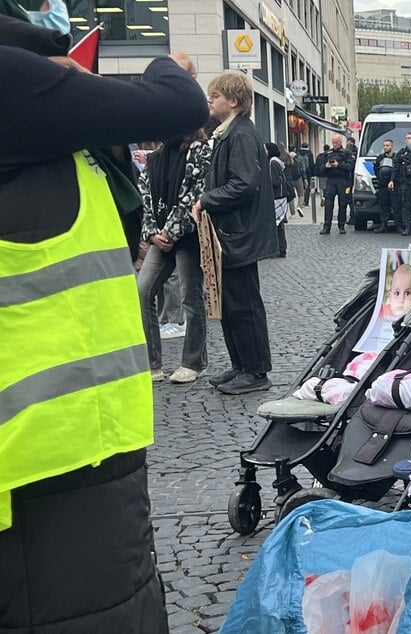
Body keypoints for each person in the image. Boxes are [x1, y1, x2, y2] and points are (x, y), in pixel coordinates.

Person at [0, 13, 207, 628]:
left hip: (63, 451)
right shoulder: (15, 85)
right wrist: (168, 63)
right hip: (49, 462)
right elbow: (178, 103)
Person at [192, 72, 278, 395]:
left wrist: (206, 200)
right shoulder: (229, 132)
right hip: (231, 232)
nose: (210, 99)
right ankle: (242, 365)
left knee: (244, 304)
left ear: (234, 101)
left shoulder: (240, 134)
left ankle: (255, 371)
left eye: (215, 95)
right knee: (231, 303)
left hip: (239, 233)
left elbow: (244, 184)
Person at [137, 125, 211, 384]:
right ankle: (151, 363)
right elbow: (144, 196)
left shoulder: (200, 151)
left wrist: (169, 232)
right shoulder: (155, 157)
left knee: (190, 295)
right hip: (160, 235)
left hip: (188, 236)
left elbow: (194, 195)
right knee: (143, 290)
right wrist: (151, 232)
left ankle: (194, 362)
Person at [318, 133, 353, 235]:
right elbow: (320, 169)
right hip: (331, 180)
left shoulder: (347, 153)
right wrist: (326, 166)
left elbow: (350, 166)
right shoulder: (328, 153)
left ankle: (341, 225)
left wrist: (339, 165)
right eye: (333, 142)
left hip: (343, 180)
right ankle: (326, 226)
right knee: (328, 204)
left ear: (341, 142)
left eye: (336, 142)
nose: (334, 144)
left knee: (343, 204)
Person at [266, 142, 295, 258]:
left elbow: (275, 181)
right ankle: (280, 248)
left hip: (277, 196)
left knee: (276, 224)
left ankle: (279, 249)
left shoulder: (273, 162)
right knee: (279, 224)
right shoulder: (276, 162)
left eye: (265, 149)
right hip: (280, 196)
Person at [373, 138, 400, 233]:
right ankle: (383, 225)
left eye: (387, 145)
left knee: (396, 206)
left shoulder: (396, 157)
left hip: (394, 186)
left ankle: (399, 226)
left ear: (392, 147)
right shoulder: (380, 158)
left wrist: (393, 180)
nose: (385, 147)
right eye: (384, 145)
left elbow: (397, 170)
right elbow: (376, 169)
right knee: (384, 206)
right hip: (383, 186)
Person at [298, 141, 315, 206]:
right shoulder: (310, 153)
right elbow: (311, 164)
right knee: (307, 187)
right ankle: (306, 202)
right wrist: (313, 173)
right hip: (308, 172)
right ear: (307, 146)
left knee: (301, 187)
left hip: (300, 172)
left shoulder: (298, 153)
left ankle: (301, 202)